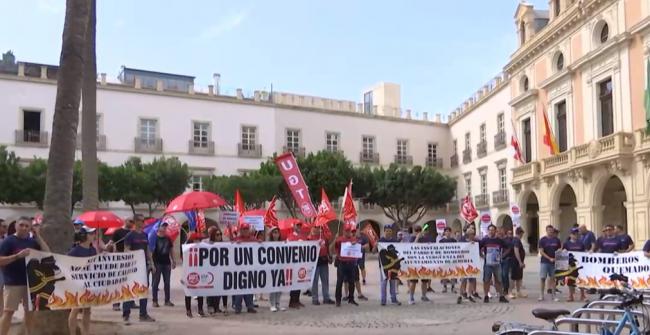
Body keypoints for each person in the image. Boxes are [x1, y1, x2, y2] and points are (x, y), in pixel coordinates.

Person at [0, 216, 50, 335]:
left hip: (31, 283)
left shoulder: (32, 242)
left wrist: (38, 236)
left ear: (30, 228)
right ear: (16, 225)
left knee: (30, 312)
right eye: (21, 225)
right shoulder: (8, 241)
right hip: (13, 282)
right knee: (8, 312)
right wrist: (17, 256)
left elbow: (47, 253)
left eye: (27, 226)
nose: (24, 228)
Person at [122, 215, 155, 324]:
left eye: (143, 220)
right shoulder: (129, 235)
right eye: (141, 220)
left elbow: (148, 251)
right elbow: (126, 250)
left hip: (144, 267)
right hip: (132, 267)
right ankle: (126, 314)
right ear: (136, 222)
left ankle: (143, 314)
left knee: (143, 290)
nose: (143, 222)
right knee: (129, 289)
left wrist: (152, 264)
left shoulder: (145, 235)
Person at [68, 226, 98, 335]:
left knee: (87, 310)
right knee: (75, 309)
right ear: (84, 236)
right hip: (77, 284)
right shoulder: (74, 251)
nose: (93, 235)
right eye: (91, 234)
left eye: (93, 233)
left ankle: (86, 332)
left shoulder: (93, 249)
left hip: (89, 284)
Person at [232, 223, 259, 314]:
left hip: (250, 269)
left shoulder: (253, 240)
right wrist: (235, 244)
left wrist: (260, 244)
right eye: (243, 229)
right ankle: (237, 307)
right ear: (240, 230)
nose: (245, 231)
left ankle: (250, 306)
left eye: (247, 229)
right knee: (239, 289)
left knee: (249, 288)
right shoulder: (237, 239)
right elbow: (230, 248)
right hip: (238, 269)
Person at [480, 224, 509, 303]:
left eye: (493, 230)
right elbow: (477, 248)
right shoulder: (484, 240)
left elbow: (508, 248)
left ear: (495, 231)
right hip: (487, 264)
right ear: (487, 231)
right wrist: (482, 255)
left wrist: (502, 256)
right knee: (486, 280)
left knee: (499, 280)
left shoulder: (499, 240)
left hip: (497, 264)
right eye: (490, 230)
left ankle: (501, 296)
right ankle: (486, 296)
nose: (491, 231)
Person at [204, 226, 228, 314]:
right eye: (217, 234)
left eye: (220, 234)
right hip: (210, 270)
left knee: (218, 288)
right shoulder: (206, 243)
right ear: (212, 235)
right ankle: (210, 306)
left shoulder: (223, 244)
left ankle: (217, 306)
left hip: (220, 270)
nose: (219, 236)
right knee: (210, 288)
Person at [308, 224, 334, 306]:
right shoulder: (309, 238)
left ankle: (326, 297)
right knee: (315, 281)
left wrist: (330, 256)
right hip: (314, 262)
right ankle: (315, 299)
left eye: (319, 227)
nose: (318, 229)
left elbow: (327, 247)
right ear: (313, 228)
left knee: (325, 280)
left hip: (323, 260)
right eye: (316, 227)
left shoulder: (323, 236)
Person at [375, 224, 401, 306]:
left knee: (392, 282)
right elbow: (373, 251)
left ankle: (394, 299)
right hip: (383, 266)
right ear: (384, 231)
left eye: (390, 231)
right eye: (387, 231)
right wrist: (375, 245)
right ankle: (383, 300)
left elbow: (401, 250)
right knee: (383, 283)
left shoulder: (395, 241)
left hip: (393, 266)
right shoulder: (380, 240)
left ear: (392, 232)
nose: (388, 232)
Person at [151, 222, 176, 308]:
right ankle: (154, 301)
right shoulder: (154, 238)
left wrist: (173, 260)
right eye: (163, 226)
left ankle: (167, 300)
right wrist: (151, 263)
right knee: (155, 282)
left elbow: (171, 249)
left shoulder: (168, 238)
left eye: (166, 227)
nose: (165, 228)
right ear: (158, 228)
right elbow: (150, 251)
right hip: (157, 263)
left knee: (167, 282)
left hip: (166, 263)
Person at [334, 224, 359, 307]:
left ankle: (351, 298)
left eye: (349, 231)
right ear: (343, 231)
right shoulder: (339, 239)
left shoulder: (353, 239)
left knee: (352, 282)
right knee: (339, 282)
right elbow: (334, 249)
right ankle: (338, 300)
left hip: (351, 263)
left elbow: (357, 249)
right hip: (342, 263)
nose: (348, 232)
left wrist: (356, 245)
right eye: (346, 231)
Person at [111, 218, 133, 311]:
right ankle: (116, 303)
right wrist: (114, 250)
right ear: (125, 221)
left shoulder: (132, 233)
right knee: (118, 281)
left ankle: (130, 302)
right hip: (119, 257)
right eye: (130, 221)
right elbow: (112, 242)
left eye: (133, 221)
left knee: (130, 281)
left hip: (129, 258)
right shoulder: (118, 231)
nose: (132, 223)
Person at [408, 225, 434, 304]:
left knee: (425, 281)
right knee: (413, 281)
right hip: (414, 263)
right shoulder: (412, 238)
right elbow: (412, 247)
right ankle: (411, 297)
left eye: (419, 230)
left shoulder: (425, 238)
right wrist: (417, 237)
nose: (418, 232)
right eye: (416, 231)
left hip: (424, 263)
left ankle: (424, 296)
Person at [285, 221, 306, 309]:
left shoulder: (302, 236)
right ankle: (292, 301)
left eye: (300, 226)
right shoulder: (290, 237)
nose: (299, 227)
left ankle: (297, 300)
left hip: (300, 263)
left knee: (299, 282)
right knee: (294, 283)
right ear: (294, 226)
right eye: (297, 225)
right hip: (293, 263)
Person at [538, 225, 561, 302]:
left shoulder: (557, 240)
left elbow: (559, 250)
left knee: (553, 279)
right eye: (549, 230)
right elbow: (541, 251)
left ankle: (554, 295)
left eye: (551, 230)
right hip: (544, 262)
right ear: (546, 231)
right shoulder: (542, 240)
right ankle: (541, 295)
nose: (550, 231)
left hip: (554, 262)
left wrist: (557, 258)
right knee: (542, 278)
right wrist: (549, 258)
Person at [266, 227, 287, 312]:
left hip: (280, 267)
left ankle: (278, 303)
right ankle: (272, 304)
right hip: (271, 268)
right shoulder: (268, 244)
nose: (276, 234)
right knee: (273, 287)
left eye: (277, 232)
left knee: (279, 287)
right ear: (271, 234)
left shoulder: (281, 243)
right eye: (274, 232)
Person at [563, 228, 586, 301]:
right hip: (570, 265)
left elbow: (584, 253)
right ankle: (570, 296)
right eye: (573, 234)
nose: (575, 235)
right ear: (570, 235)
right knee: (570, 281)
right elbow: (562, 253)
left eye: (576, 234)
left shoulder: (581, 243)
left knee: (581, 280)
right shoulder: (566, 243)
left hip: (579, 265)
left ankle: (582, 295)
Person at [457, 226, 479, 304]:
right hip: (464, 262)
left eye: (473, 234)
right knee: (463, 280)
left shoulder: (475, 242)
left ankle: (469, 295)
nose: (472, 235)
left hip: (472, 263)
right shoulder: (462, 241)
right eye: (470, 234)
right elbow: (459, 250)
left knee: (471, 280)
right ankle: (460, 295)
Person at [439, 227, 457, 293]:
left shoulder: (454, 240)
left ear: (450, 232)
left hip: (452, 260)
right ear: (444, 232)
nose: (448, 232)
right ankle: (444, 287)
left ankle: (453, 287)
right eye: (446, 231)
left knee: (453, 274)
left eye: (449, 231)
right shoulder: (441, 241)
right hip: (444, 260)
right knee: (444, 274)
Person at [499, 228, 514, 298]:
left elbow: (509, 249)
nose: (500, 232)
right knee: (500, 275)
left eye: (501, 230)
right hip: (498, 260)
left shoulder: (507, 240)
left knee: (505, 274)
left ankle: (506, 289)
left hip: (506, 259)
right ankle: (501, 289)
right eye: (499, 231)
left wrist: (503, 255)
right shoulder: (498, 239)